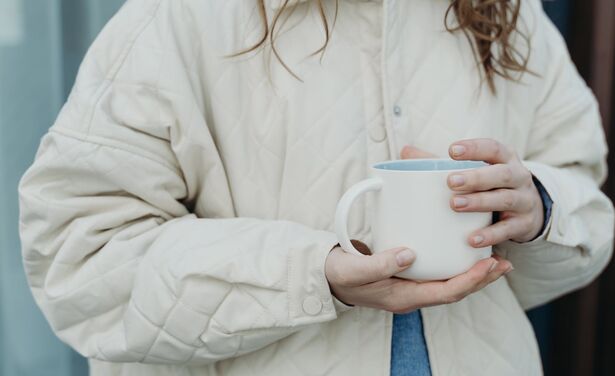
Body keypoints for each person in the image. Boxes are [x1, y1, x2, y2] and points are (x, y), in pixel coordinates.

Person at [18, 0, 614, 375]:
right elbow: (81, 259)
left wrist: (539, 207)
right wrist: (314, 274)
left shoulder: (513, 15)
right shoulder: (179, 16)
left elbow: (584, 193)